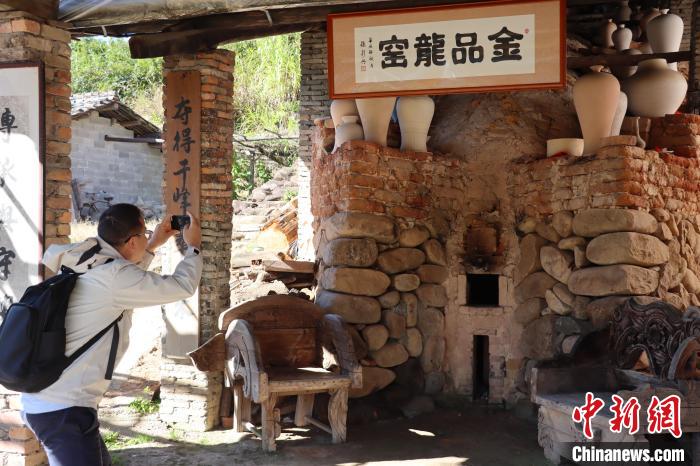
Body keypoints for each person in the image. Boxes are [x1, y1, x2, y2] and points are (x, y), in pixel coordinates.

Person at [19, 204, 203, 466]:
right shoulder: (115, 277)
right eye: (144, 233)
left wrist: (152, 244)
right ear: (131, 241)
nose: (147, 237)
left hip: (54, 401)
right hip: (63, 409)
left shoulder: (86, 257)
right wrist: (193, 248)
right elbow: (181, 286)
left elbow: (126, 278)